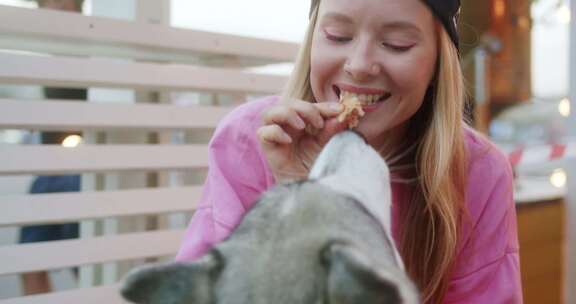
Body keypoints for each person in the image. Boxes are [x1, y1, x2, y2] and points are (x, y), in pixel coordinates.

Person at [176, 0, 522, 303]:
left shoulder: (478, 173)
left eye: (396, 44)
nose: (359, 64)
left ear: (437, 63)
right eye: (338, 35)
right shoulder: (250, 142)